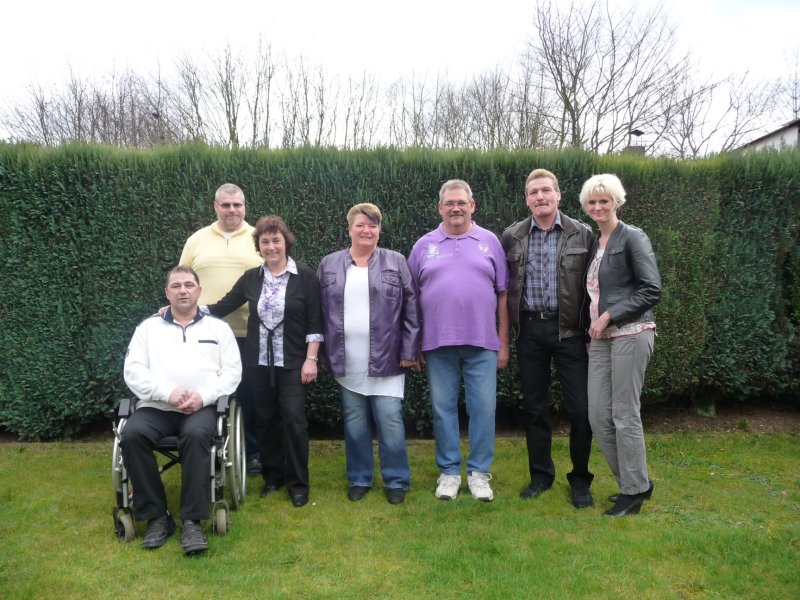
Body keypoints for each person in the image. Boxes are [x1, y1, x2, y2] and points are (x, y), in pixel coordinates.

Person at [122, 266, 242, 555]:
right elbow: (133, 371)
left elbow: (232, 373)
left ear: (199, 291)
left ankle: (192, 521)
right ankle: (157, 517)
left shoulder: (219, 329)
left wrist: (203, 396)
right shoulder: (147, 329)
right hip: (158, 406)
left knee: (197, 436)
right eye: (176, 286)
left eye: (189, 285)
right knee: (132, 435)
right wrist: (168, 393)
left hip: (202, 408)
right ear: (167, 293)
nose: (183, 290)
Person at [208, 215, 323, 508]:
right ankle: (273, 477)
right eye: (265, 241)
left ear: (286, 242)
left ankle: (298, 484)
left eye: (276, 240)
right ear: (258, 246)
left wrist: (311, 359)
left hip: (293, 361)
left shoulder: (305, 277)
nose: (271, 246)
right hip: (258, 362)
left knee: (295, 420)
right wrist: (179, 311)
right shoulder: (251, 278)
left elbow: (315, 322)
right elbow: (221, 307)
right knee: (265, 419)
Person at [408, 179, 509, 502]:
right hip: (437, 344)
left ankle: (479, 473)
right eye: (449, 203)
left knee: (484, 410)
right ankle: (450, 472)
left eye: (461, 202)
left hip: (483, 343)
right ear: (440, 208)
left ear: (472, 206)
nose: (456, 208)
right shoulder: (423, 246)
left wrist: (503, 341)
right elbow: (411, 299)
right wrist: (414, 343)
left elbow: (502, 295)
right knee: (442, 410)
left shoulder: (490, 242)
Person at [501, 168, 595, 508]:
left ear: (558, 195)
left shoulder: (582, 233)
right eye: (533, 192)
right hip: (529, 332)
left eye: (545, 190)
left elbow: (595, 285)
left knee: (581, 410)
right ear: (527, 200)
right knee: (535, 408)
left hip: (570, 332)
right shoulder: (512, 236)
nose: (540, 197)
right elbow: (502, 287)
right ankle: (541, 476)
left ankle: (580, 479)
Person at [318, 203, 421, 505]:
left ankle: (396, 480)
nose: (367, 230)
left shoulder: (396, 261)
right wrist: (321, 354)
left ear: (379, 230)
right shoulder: (329, 264)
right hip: (347, 359)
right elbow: (319, 312)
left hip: (387, 357)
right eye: (361, 225)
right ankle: (360, 477)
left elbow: (412, 308)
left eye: (373, 225)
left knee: (390, 420)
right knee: (354, 422)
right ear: (349, 228)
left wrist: (409, 349)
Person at [580, 173, 662, 517]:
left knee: (624, 414)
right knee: (598, 415)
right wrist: (596, 324)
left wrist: (610, 315)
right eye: (592, 202)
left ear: (617, 202)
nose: (598, 206)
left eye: (604, 200)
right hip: (601, 339)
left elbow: (651, 289)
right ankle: (634, 482)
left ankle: (634, 490)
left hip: (631, 331)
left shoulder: (632, 237)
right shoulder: (595, 242)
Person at [179, 183, 263, 475]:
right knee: (208, 394)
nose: (232, 210)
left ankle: (253, 453)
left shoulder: (258, 238)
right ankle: (210, 449)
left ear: (244, 206)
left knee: (251, 396)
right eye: (226, 205)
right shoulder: (197, 240)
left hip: (248, 333)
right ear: (215, 207)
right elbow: (182, 280)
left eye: (237, 205)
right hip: (204, 336)